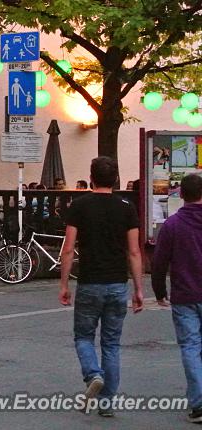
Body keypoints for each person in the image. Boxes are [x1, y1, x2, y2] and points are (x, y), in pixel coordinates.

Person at [59, 156, 143, 417]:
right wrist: (139, 288)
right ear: (116, 179)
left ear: (91, 177)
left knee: (83, 337)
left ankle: (93, 374)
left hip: (89, 282)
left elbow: (69, 249)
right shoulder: (127, 207)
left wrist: (64, 284)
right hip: (118, 282)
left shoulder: (79, 206)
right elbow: (134, 252)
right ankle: (107, 403)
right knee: (112, 344)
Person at [151, 174, 202, 423]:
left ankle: (199, 402)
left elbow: (159, 263)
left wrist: (160, 292)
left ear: (181, 195)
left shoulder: (172, 224)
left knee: (191, 347)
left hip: (185, 294)